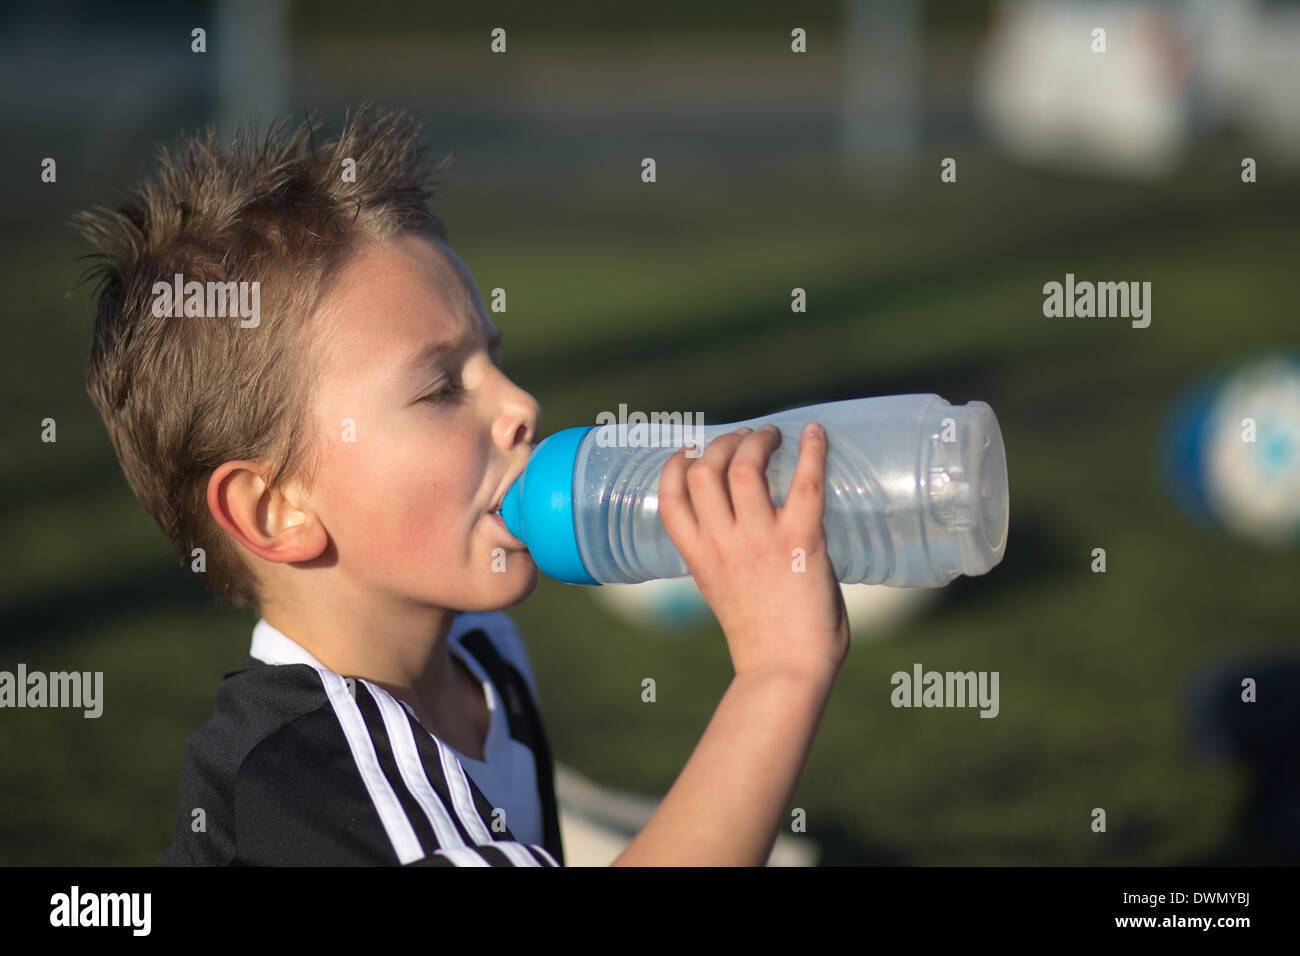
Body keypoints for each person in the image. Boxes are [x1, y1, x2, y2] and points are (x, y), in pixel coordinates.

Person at [73, 106, 850, 866]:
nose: (521, 405)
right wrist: (780, 670)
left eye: (494, 358)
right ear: (276, 510)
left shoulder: (480, 649)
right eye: (442, 388)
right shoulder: (312, 774)